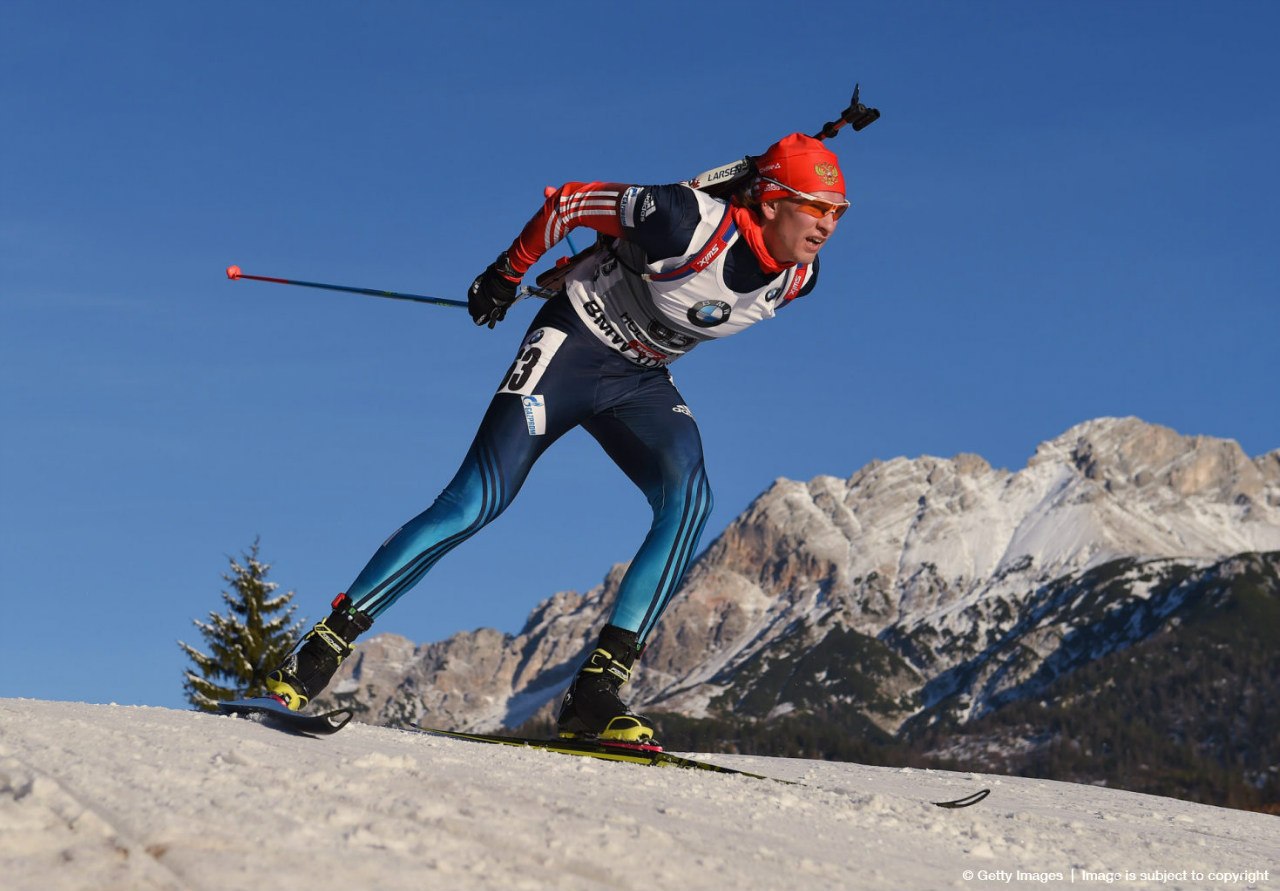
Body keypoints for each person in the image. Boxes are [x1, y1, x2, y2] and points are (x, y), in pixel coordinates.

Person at [264, 133, 851, 743]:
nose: (828, 224)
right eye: (816, 207)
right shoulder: (682, 220)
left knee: (689, 501)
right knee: (477, 501)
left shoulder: (799, 278)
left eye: (838, 212)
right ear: (772, 202)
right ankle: (316, 653)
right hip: (572, 348)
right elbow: (570, 204)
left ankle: (595, 691)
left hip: (639, 380)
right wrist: (506, 272)